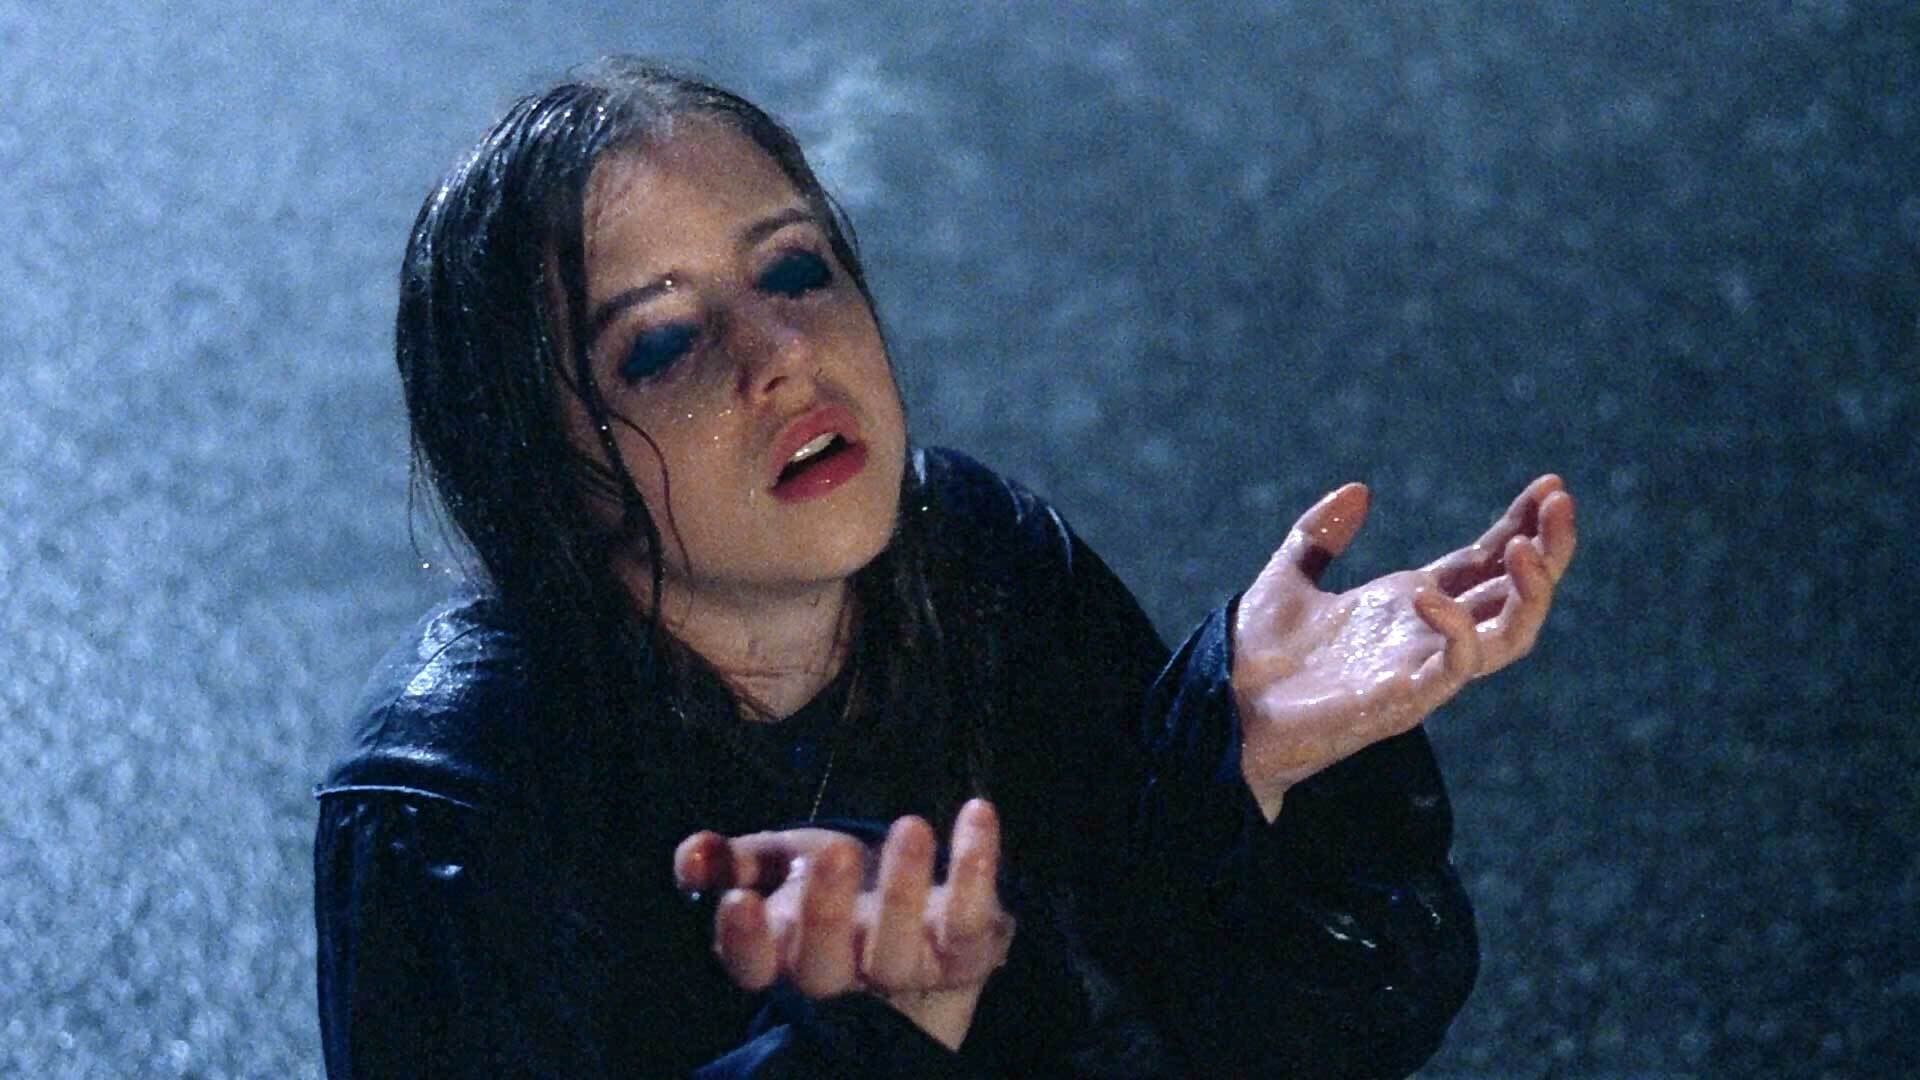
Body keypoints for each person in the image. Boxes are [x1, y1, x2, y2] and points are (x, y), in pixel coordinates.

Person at [313, 57, 1577, 1078]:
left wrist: (1241, 755)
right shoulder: (454, 800)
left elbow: (1290, 1026)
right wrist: (864, 1045)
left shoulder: (974, 557)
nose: (783, 354)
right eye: (660, 346)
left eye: (794, 269)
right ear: (538, 470)